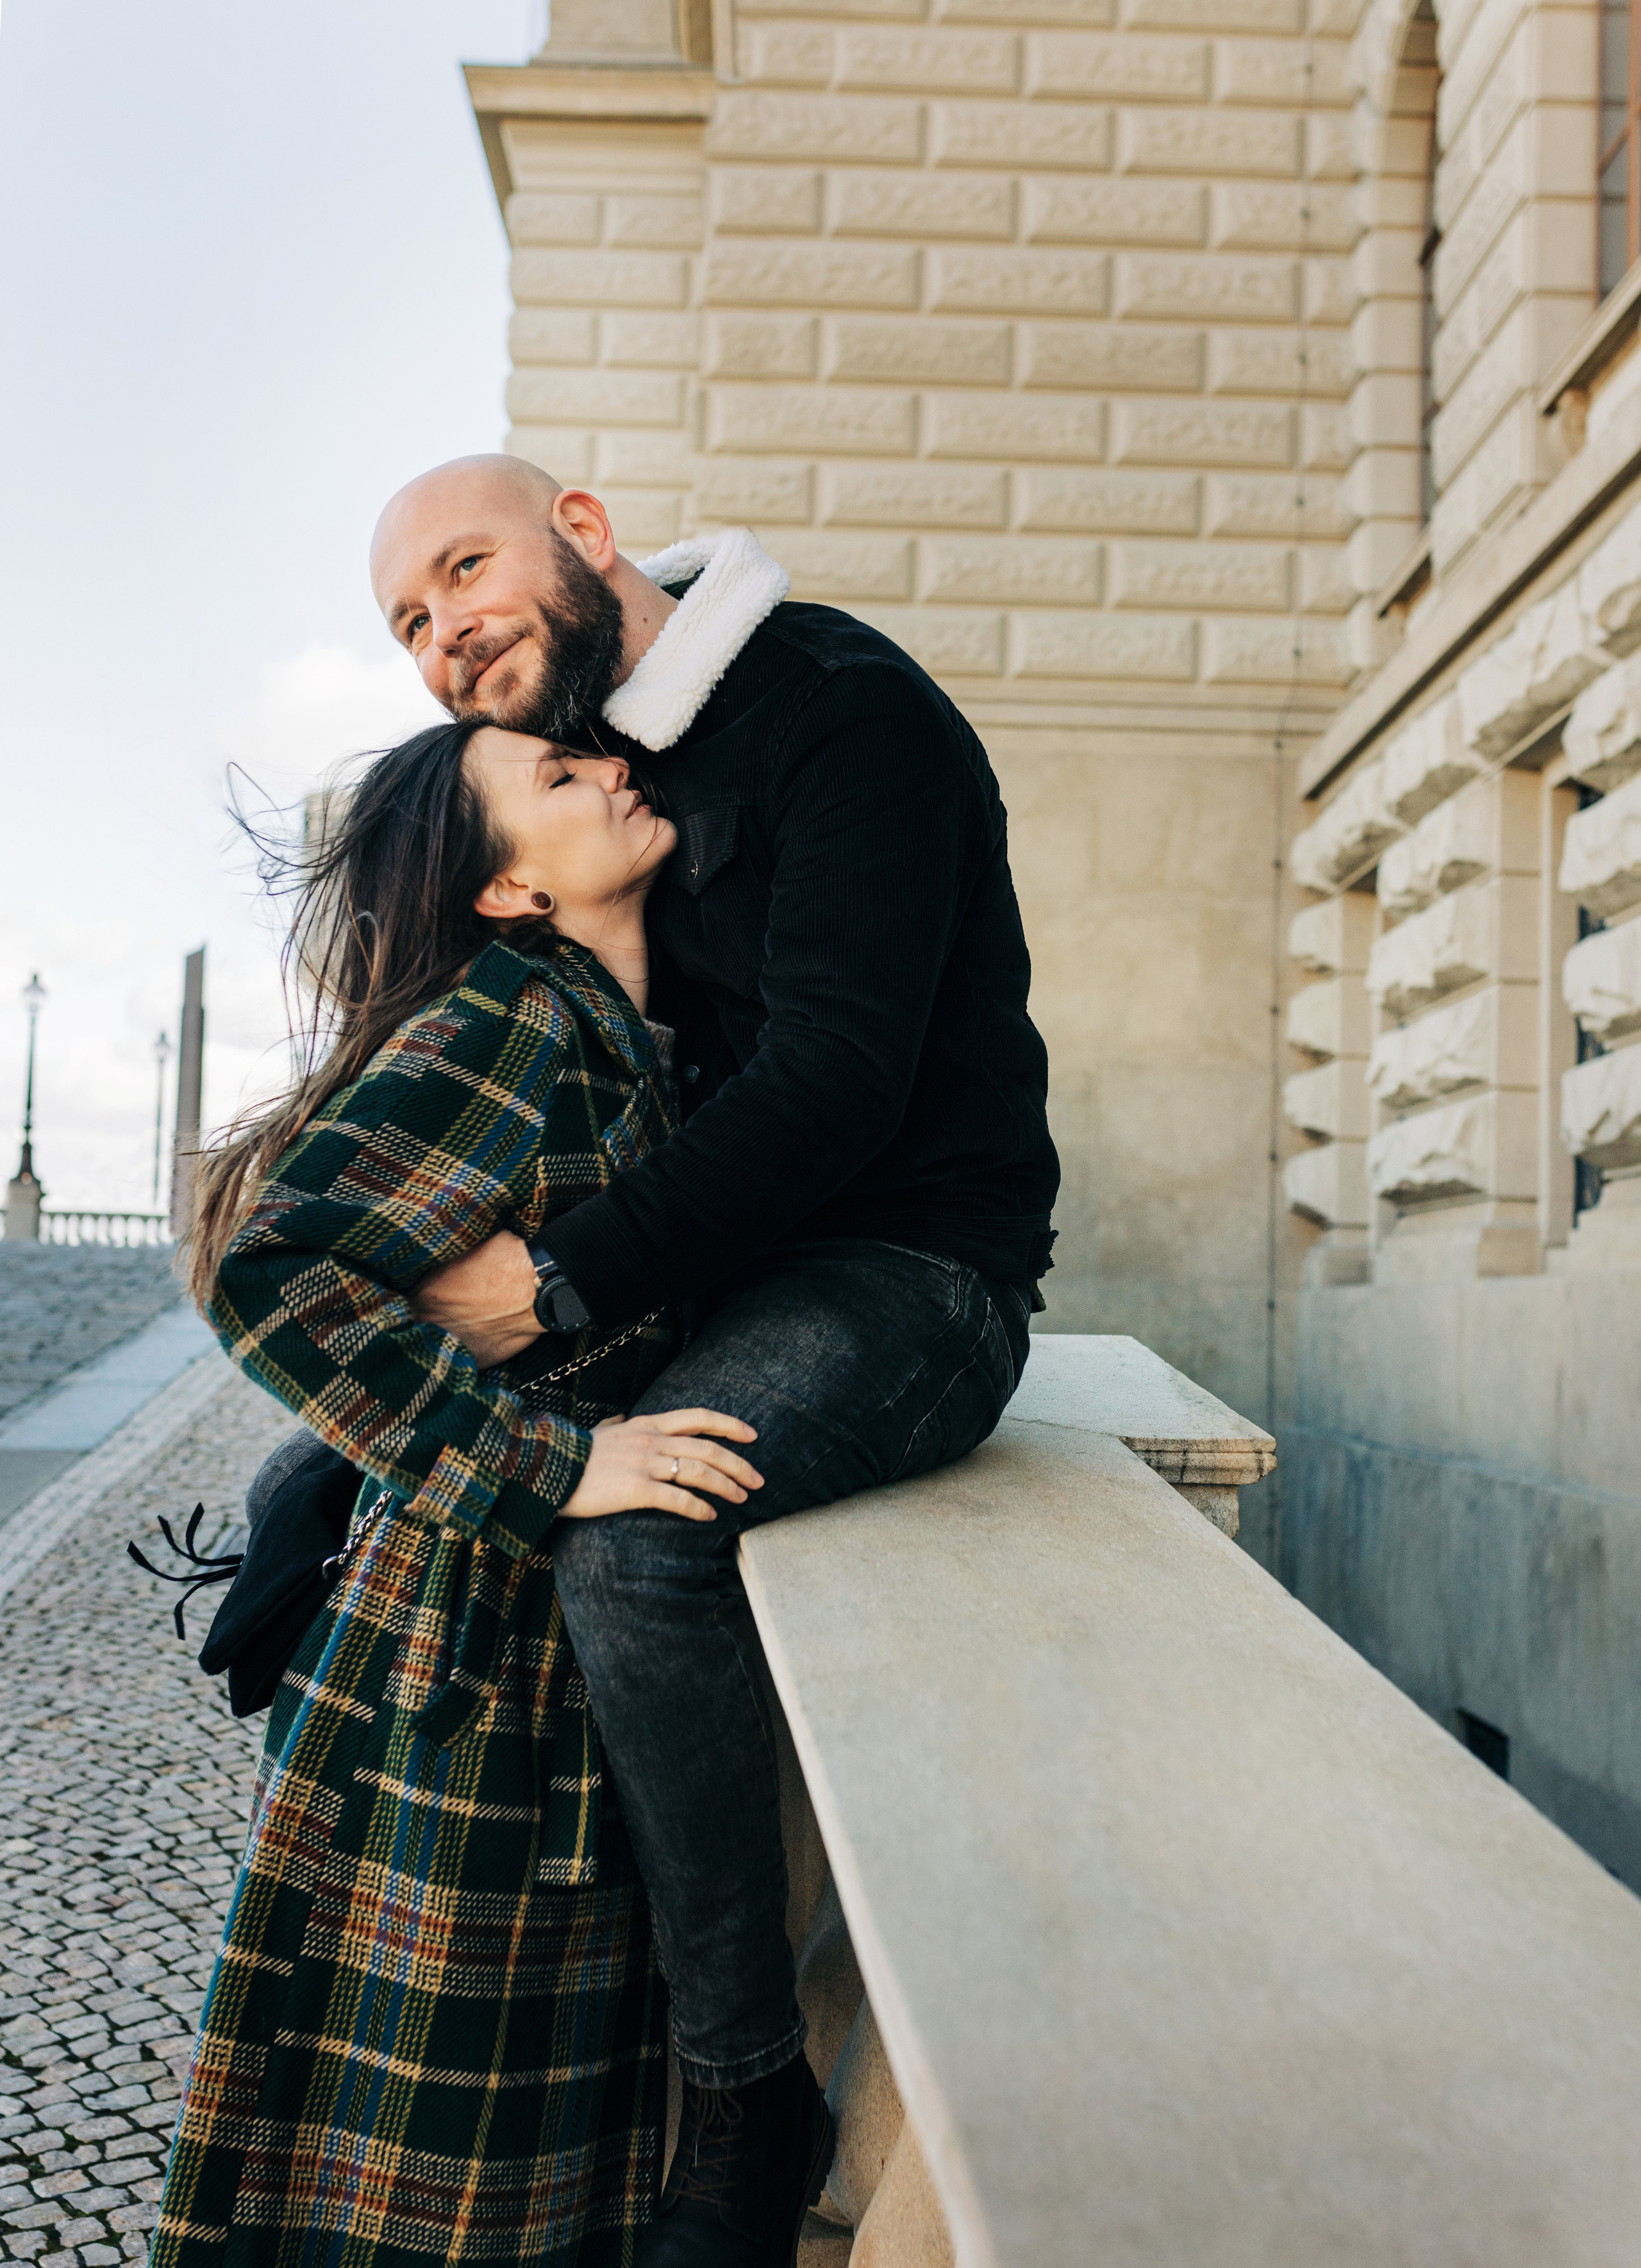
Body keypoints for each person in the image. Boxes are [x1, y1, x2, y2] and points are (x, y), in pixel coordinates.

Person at [358, 458, 1062, 2268]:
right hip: (725, 1278)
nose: (446, 636)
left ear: (582, 530)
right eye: (411, 626)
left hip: (912, 1279)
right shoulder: (608, 770)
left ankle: (742, 2099)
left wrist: (554, 1292)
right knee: (415, 1501)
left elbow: (834, 1087)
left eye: (463, 572)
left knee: (639, 1536)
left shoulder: (842, 712)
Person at [152, 721, 767, 2268]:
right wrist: (556, 1464)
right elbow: (270, 1267)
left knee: (511, 2173)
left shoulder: (631, 1027)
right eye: (562, 781)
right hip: (460, 1679)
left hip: (524, 1667)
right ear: (506, 887)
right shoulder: (513, 1016)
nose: (616, 773)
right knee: (426, 2190)